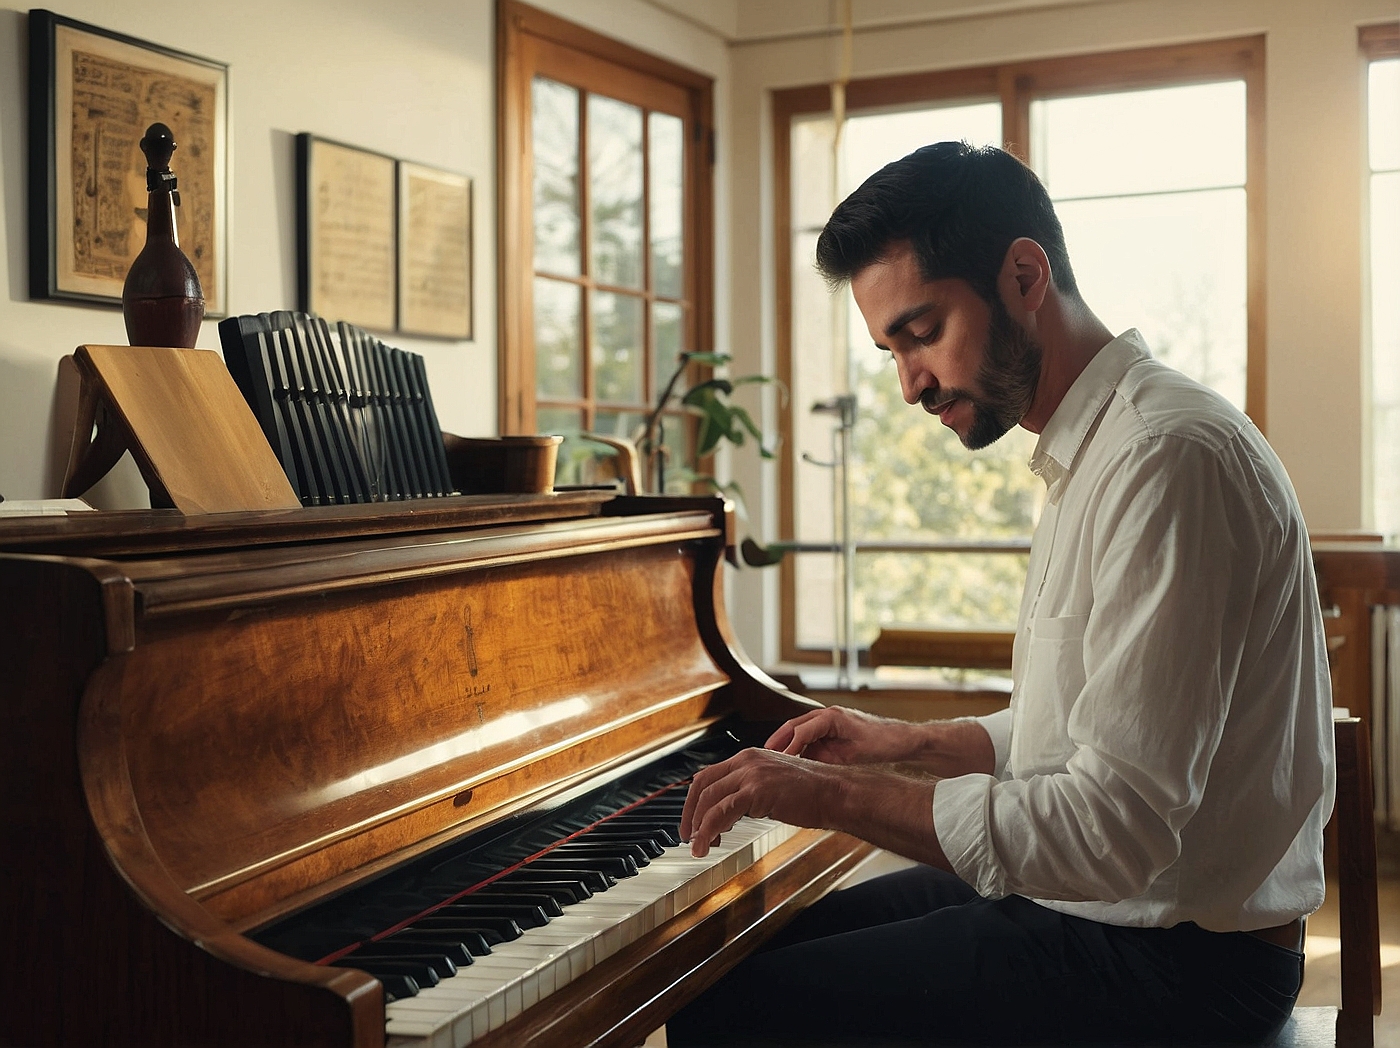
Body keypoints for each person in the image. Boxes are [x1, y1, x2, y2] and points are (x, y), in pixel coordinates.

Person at [666, 142, 1334, 1046]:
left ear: (1024, 276)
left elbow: (1111, 830)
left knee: (735, 1012)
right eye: (891, 350)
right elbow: (1086, 734)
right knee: (734, 954)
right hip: (1112, 913)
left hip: (1185, 966)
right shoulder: (1096, 449)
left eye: (921, 332)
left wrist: (828, 795)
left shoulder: (1164, 458)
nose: (909, 384)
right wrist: (904, 743)